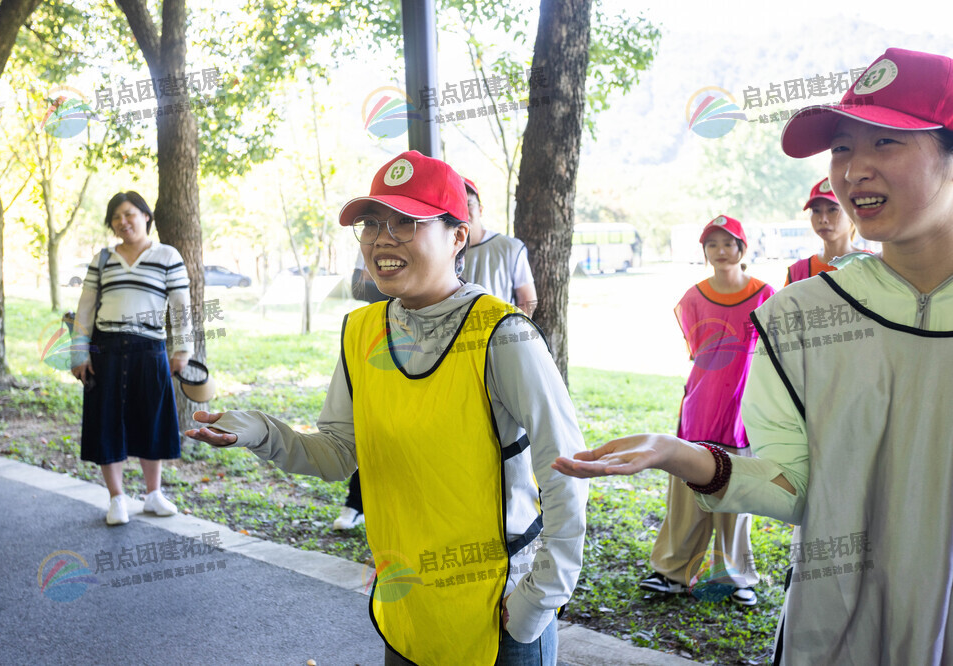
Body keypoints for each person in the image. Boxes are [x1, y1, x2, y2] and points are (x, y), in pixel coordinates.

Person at [552, 48, 953, 664]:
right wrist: (677, 454)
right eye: (843, 147)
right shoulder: (795, 318)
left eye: (887, 142)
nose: (854, 171)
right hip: (834, 636)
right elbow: (793, 485)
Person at [186, 150, 588, 664]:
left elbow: (567, 471)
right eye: (372, 224)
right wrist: (261, 432)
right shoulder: (362, 331)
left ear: (458, 236)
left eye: (408, 223)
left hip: (499, 612)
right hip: (405, 603)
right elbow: (337, 454)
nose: (382, 239)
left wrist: (539, 600)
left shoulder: (502, 334)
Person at [638, 215, 774, 607]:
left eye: (727, 243)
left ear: (742, 249)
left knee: (737, 492)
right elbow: (697, 352)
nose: (719, 251)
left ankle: (734, 577)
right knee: (686, 492)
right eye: (711, 244)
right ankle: (671, 572)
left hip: (743, 410)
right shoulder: (693, 297)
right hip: (701, 403)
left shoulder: (766, 294)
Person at [70, 191, 192, 525]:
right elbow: (86, 306)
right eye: (116, 218)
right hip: (105, 350)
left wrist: (182, 351)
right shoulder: (103, 258)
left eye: (129, 214)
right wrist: (80, 351)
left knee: (150, 420)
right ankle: (117, 499)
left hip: (149, 349)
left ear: (145, 216)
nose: (123, 222)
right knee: (106, 422)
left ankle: (153, 495)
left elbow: (181, 308)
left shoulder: (167, 255)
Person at [332, 251, 388, 531]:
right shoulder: (374, 242)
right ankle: (356, 503)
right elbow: (358, 286)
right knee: (370, 425)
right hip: (380, 341)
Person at [460, 177, 538, 316]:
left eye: (468, 203)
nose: (463, 210)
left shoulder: (510, 248)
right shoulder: (442, 253)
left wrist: (513, 332)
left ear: (480, 210)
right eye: (457, 205)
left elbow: (528, 299)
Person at [785, 177, 860, 284]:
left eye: (832, 209)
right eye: (816, 211)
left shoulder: (873, 264)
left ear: (851, 212)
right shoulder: (798, 272)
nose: (823, 219)